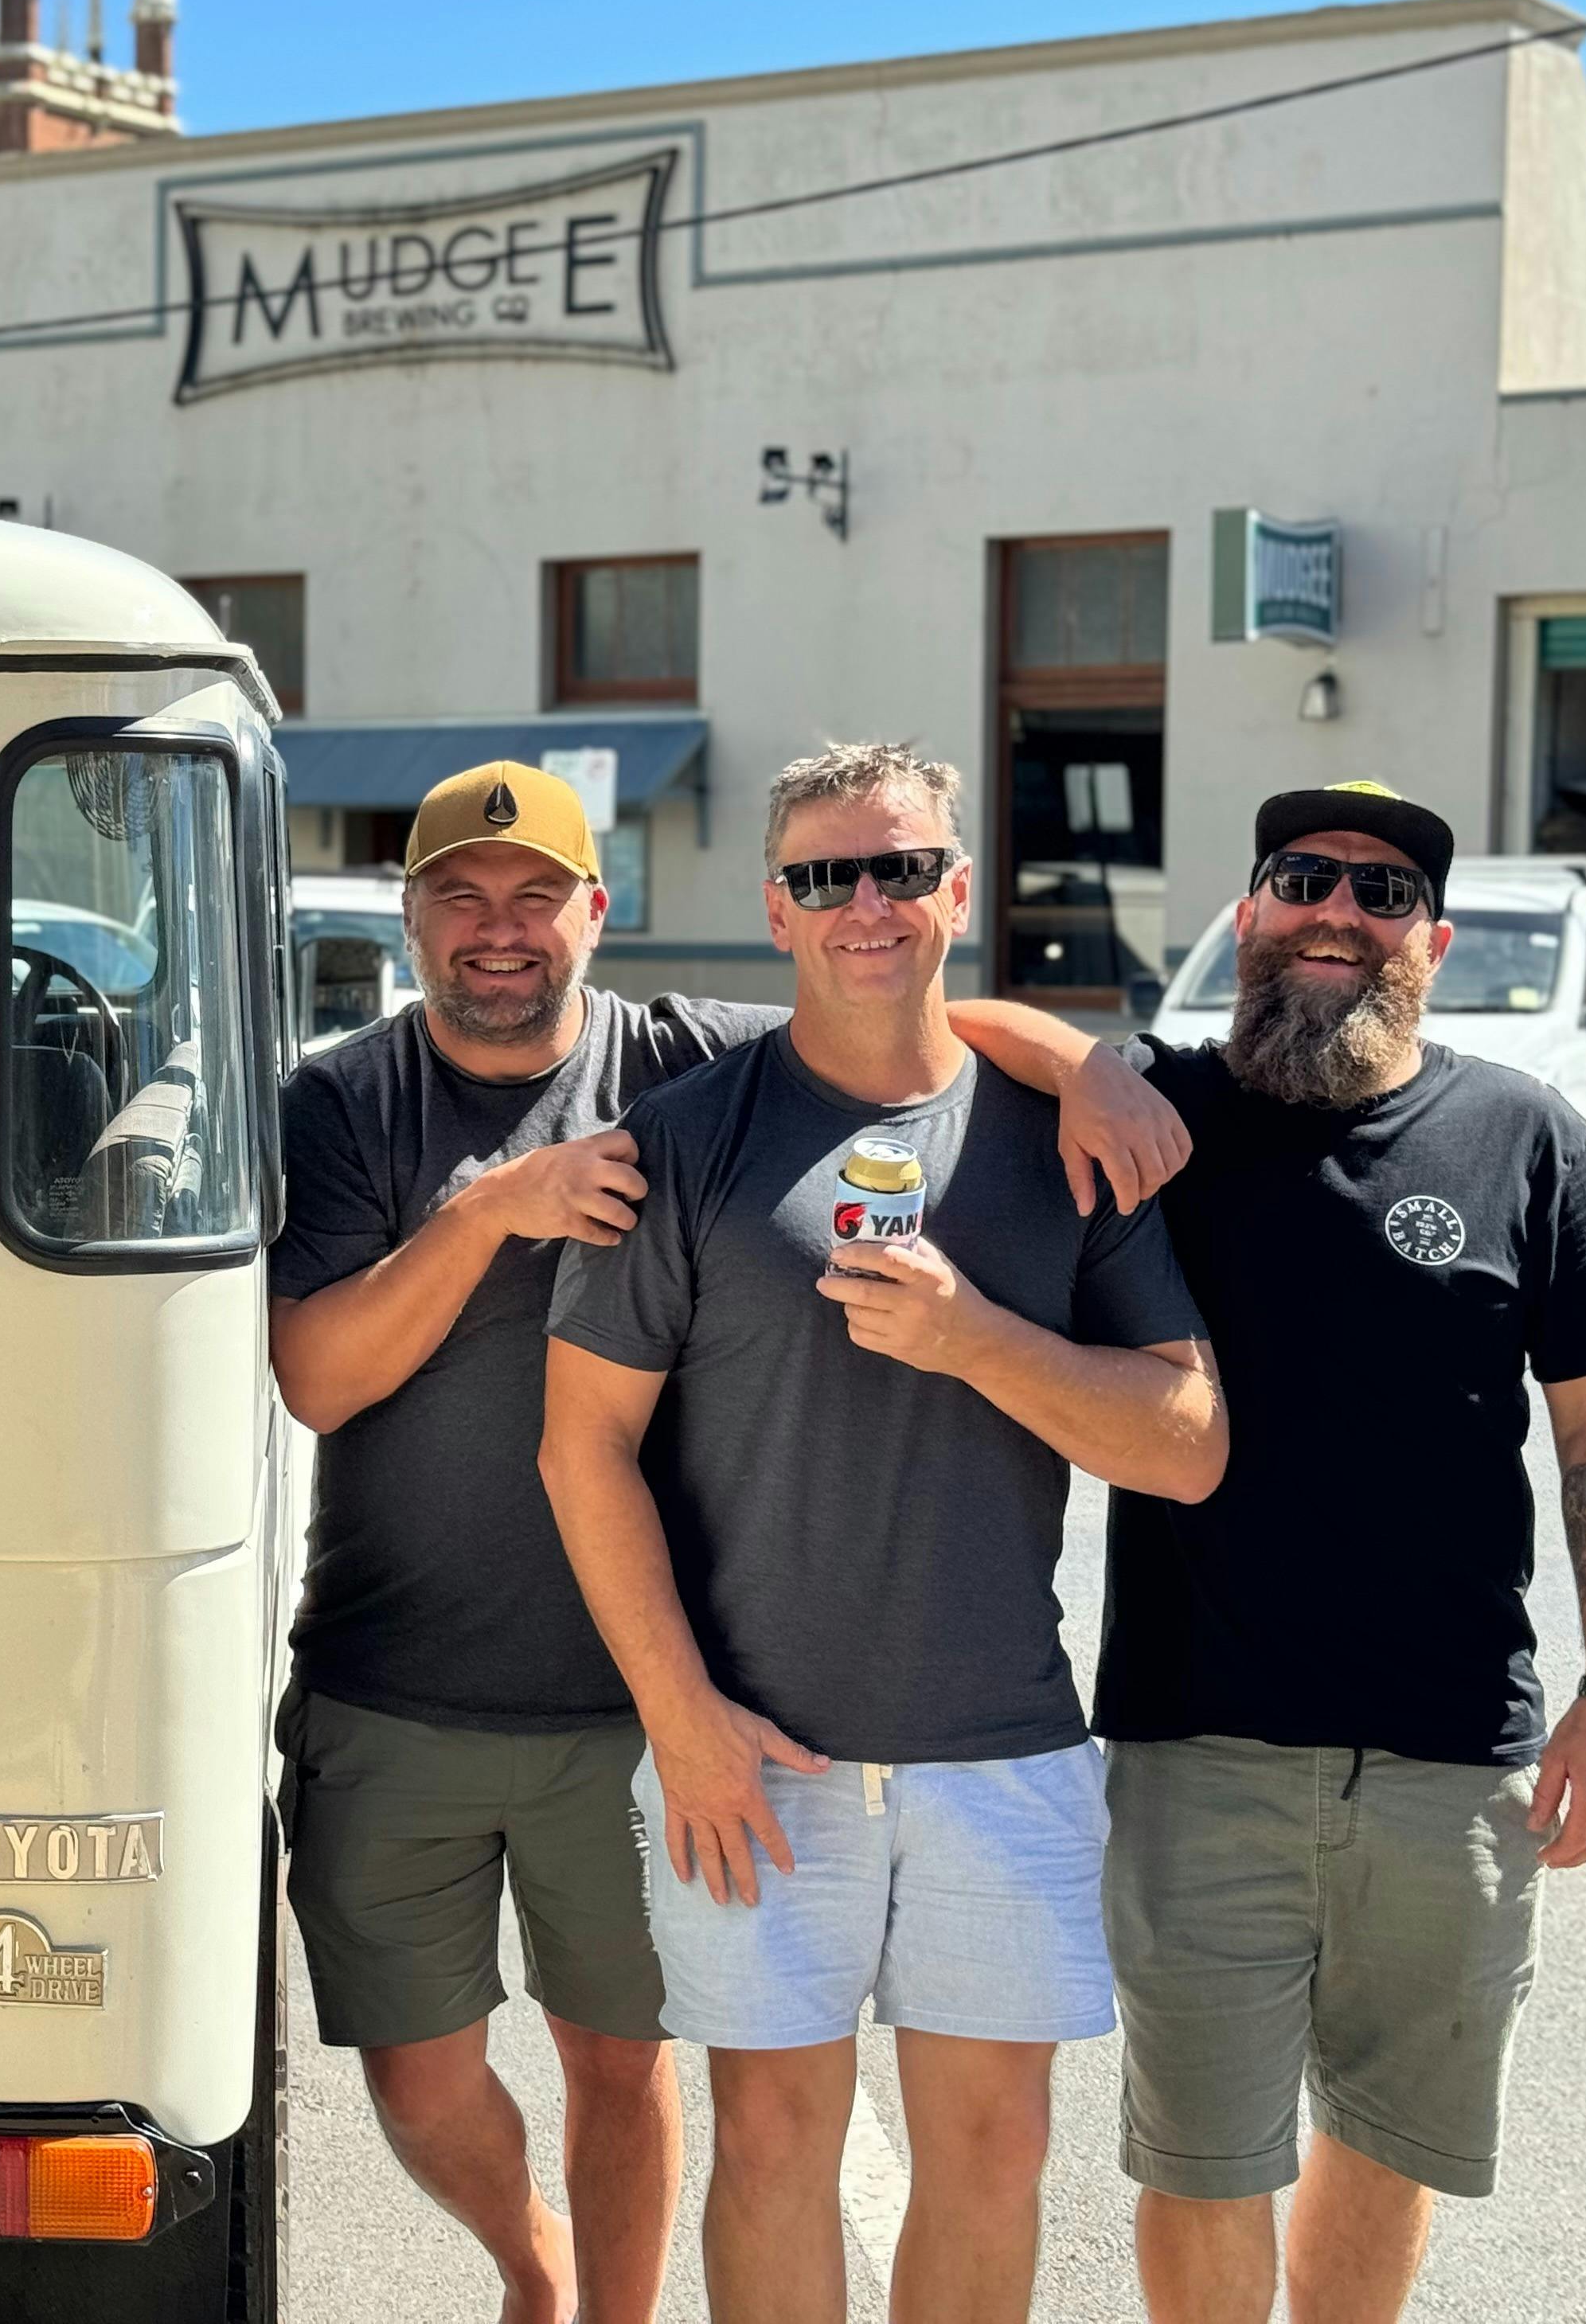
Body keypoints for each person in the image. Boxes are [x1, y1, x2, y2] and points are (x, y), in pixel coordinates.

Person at [268, 755, 1188, 2324]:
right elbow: (324, 1379)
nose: (500, 931)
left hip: (644, 1694)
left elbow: (897, 1021)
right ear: (412, 920)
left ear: (596, 912)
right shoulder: (350, 1100)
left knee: (652, 2081)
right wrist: (491, 1212)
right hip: (417, 1677)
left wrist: (1086, 1061)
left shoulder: (680, 1058)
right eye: (462, 900)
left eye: (535, 897)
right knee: (436, 2092)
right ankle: (533, 2270)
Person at [537, 740, 1228, 2324]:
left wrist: (977, 1338)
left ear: (958, 892)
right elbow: (583, 1450)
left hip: (1004, 1746)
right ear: (775, 908)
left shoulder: (1071, 1144)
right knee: (773, 2144)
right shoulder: (687, 1143)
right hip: (751, 1756)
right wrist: (680, 1716)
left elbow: (1188, 1452)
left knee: (992, 2154)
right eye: (825, 875)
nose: (867, 902)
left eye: (902, 867)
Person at [1092, 782, 1586, 2324]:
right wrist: (1083, 1058)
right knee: (1198, 2160)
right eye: (1304, 876)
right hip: (1196, 1748)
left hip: (1447, 1765)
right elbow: (964, 1027)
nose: (1341, 910)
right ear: (1252, 907)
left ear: (1435, 937)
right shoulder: (1162, 1117)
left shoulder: (1522, 1135)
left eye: (1384, 891)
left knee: (1387, 2142)